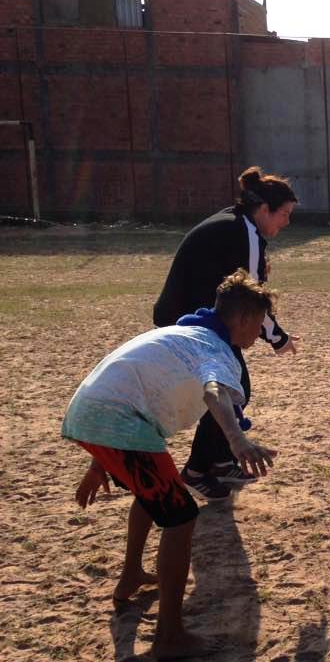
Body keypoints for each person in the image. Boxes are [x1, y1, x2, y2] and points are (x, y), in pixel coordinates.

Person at [63, 269, 278, 660]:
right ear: (244, 319)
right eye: (259, 327)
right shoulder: (216, 350)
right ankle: (169, 637)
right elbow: (215, 392)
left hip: (92, 411)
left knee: (153, 495)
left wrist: (100, 460)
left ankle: (130, 575)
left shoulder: (186, 333)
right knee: (180, 518)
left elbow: (125, 378)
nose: (258, 338)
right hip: (117, 420)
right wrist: (237, 440)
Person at [153, 166, 298, 501]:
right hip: (192, 325)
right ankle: (195, 472)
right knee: (233, 389)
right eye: (284, 214)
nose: (287, 223)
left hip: (193, 320)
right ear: (263, 210)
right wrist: (278, 338)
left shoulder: (236, 223)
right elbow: (250, 299)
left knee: (233, 389)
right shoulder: (244, 231)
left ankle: (219, 462)